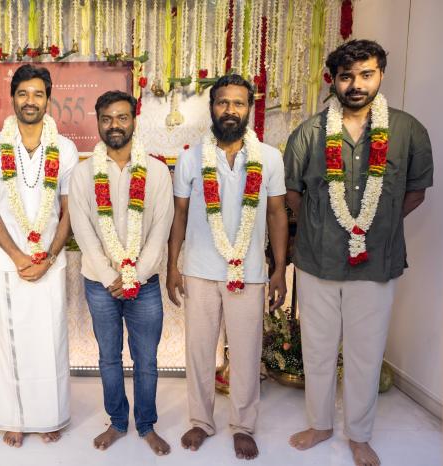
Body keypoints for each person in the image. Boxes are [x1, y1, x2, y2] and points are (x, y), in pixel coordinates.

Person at [284, 40, 433, 466]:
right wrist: (323, 227)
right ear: (333, 80)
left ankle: (360, 435)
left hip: (376, 261)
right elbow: (293, 193)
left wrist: (374, 225)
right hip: (317, 261)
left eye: (366, 74)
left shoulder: (408, 130)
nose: (356, 84)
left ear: (380, 74)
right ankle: (320, 424)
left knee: (366, 353)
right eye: (346, 76)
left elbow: (416, 192)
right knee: (317, 349)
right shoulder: (309, 133)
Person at [166, 74, 288, 461]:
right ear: (212, 108)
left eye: (238, 103)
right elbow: (179, 215)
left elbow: (277, 214)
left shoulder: (269, 158)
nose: (230, 110)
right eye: (223, 102)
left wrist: (279, 269)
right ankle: (201, 421)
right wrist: (173, 266)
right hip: (199, 270)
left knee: (247, 353)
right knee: (199, 351)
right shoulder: (190, 158)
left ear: (249, 109)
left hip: (249, 273)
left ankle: (243, 425)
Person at [0, 64, 78, 447]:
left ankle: (49, 416)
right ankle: (14, 418)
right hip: (8, 263)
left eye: (37, 94)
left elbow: (69, 210)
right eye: (23, 93)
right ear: (12, 98)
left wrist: (48, 257)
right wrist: (18, 256)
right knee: (13, 343)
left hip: (50, 262)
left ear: (48, 99)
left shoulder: (64, 148)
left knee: (50, 343)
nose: (30, 101)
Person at [69, 90, 174, 455]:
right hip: (100, 284)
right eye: (107, 118)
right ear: (98, 123)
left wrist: (134, 275)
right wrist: (108, 275)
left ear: (134, 121)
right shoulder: (82, 173)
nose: (115, 124)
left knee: (146, 358)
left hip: (144, 283)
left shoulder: (156, 172)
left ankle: (146, 425)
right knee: (109, 356)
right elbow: (82, 229)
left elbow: (161, 228)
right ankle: (117, 422)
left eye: (122, 117)